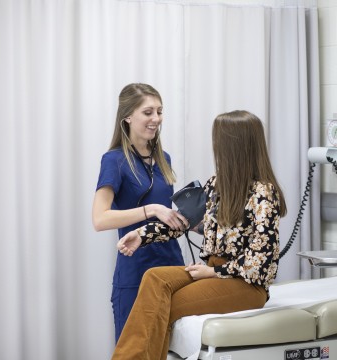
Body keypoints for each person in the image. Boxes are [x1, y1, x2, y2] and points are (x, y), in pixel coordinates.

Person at [112, 110, 287, 360]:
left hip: (246, 286)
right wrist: (143, 234)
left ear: (233, 146)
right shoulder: (215, 184)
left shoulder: (264, 193)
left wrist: (214, 272)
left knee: (163, 306)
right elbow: (182, 221)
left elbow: (261, 262)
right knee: (155, 278)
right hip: (213, 273)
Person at [92, 83, 188, 342]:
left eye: (159, 111)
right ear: (127, 116)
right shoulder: (114, 160)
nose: (156, 119)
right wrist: (152, 210)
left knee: (174, 350)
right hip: (137, 273)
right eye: (148, 112)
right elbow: (100, 219)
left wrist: (193, 218)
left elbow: (168, 216)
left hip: (172, 268)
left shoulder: (164, 158)